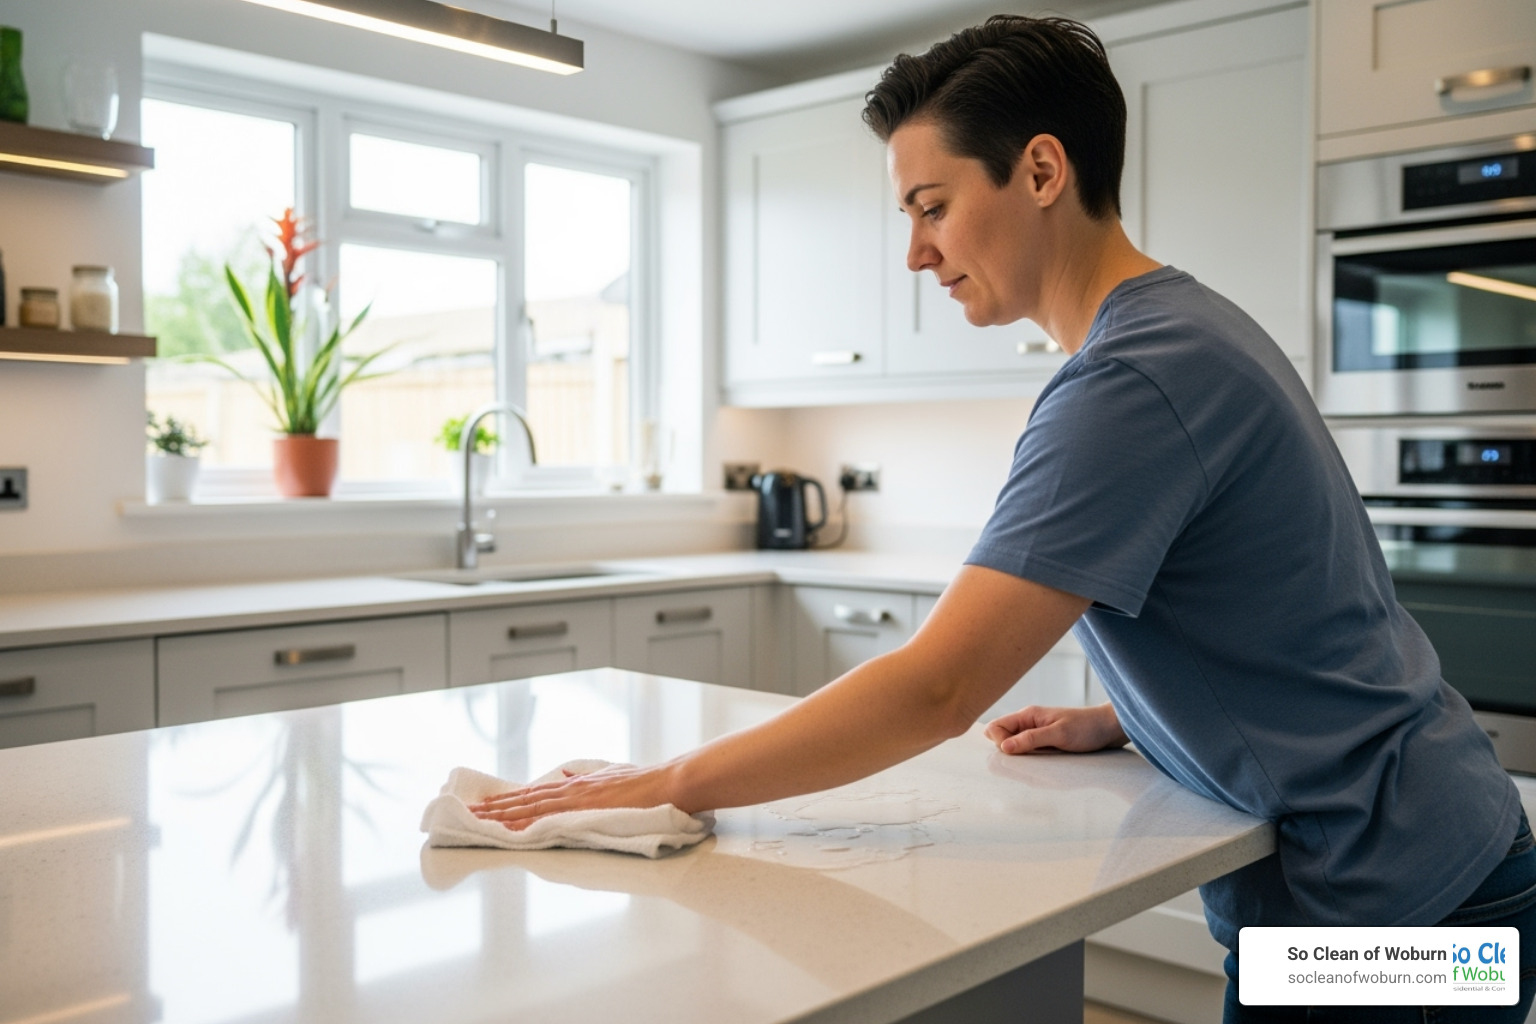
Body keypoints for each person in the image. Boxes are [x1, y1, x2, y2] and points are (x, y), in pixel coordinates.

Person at [472, 15, 1536, 1021]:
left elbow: (939, 686)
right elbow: (1304, 609)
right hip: (1440, 863)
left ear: (1040, 171)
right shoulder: (1185, 328)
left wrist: (661, 783)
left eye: (932, 206)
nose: (916, 253)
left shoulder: (1132, 380)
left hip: (1404, 907)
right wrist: (1136, 716)